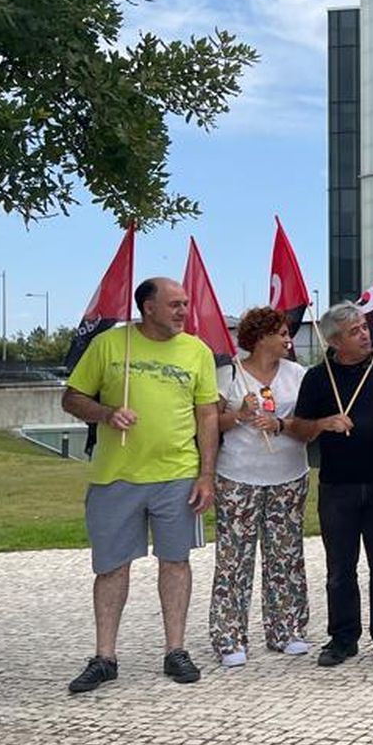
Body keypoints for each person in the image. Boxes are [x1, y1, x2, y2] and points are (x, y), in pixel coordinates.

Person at [61, 278, 218, 692]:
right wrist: (107, 412)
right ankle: (105, 656)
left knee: (176, 562)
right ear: (148, 307)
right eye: (175, 305)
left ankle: (176, 650)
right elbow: (72, 398)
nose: (184, 311)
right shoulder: (110, 345)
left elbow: (207, 417)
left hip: (177, 475)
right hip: (116, 476)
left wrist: (206, 474)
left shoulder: (197, 351)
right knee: (111, 567)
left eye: (185, 303)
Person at [290, 303, 373, 669]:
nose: (365, 333)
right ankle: (342, 638)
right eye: (354, 331)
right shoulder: (317, 377)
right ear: (336, 341)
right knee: (340, 567)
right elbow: (298, 428)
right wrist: (323, 423)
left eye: (364, 327)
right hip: (337, 486)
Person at [208, 307, 312, 666]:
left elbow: (308, 421)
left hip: (288, 475)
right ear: (261, 336)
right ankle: (229, 637)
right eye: (282, 333)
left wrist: (280, 423)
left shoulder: (298, 374)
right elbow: (211, 423)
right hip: (238, 476)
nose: (288, 340)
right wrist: (238, 413)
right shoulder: (229, 374)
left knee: (284, 555)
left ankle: (287, 630)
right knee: (234, 558)